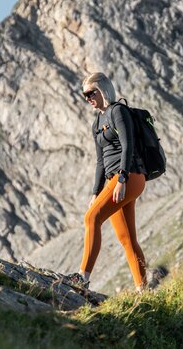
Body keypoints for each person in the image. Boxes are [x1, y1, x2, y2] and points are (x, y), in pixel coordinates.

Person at [65, 72, 148, 291]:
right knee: (127, 238)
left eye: (91, 93)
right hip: (116, 179)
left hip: (130, 176)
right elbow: (100, 161)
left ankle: (83, 277)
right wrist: (95, 192)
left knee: (91, 219)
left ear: (103, 90)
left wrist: (122, 177)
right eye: (84, 95)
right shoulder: (97, 123)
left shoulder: (118, 111)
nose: (88, 98)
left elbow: (128, 144)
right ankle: (143, 290)